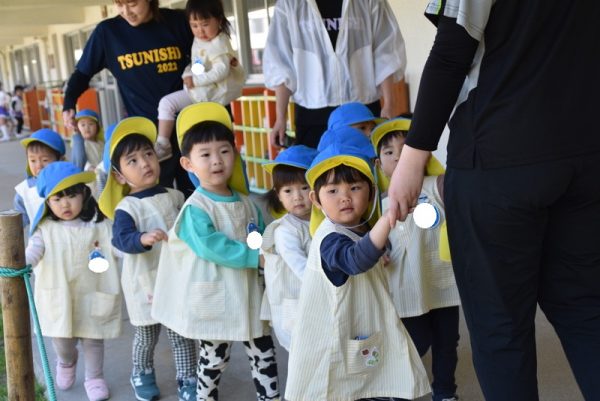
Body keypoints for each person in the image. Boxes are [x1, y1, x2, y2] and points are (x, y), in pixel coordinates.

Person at [386, 2, 600, 400]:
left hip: (498, 158)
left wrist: (412, 159)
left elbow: (452, 51)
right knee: (587, 311)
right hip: (584, 156)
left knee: (500, 329)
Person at [151, 102, 280, 401]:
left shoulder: (246, 202)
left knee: (264, 354)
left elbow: (258, 236)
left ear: (235, 154)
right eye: (205, 155)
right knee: (213, 360)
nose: (217, 161)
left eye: (224, 151)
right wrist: (255, 257)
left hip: (250, 294)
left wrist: (266, 248)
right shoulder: (195, 208)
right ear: (188, 164)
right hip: (217, 300)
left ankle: (270, 398)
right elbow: (212, 246)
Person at [285, 142, 430, 401]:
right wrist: (387, 219)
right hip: (337, 337)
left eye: (354, 187)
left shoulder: (360, 227)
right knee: (345, 390)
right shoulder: (329, 239)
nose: (345, 197)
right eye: (333, 191)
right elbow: (354, 260)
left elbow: (372, 245)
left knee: (374, 384)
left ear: (371, 193)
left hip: (363, 327)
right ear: (315, 200)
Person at [97, 117, 197, 401]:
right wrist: (141, 239)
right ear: (119, 175)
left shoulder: (175, 196)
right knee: (146, 335)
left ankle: (188, 379)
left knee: (181, 333)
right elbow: (120, 239)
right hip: (145, 284)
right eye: (133, 161)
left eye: (148, 154)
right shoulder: (127, 207)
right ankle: (141, 372)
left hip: (176, 278)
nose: (144, 163)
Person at [62, 0, 195, 196]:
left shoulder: (177, 22)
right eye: (120, 4)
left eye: (132, 4)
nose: (126, 12)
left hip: (190, 126)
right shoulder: (108, 33)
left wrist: (196, 72)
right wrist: (69, 102)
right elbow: (82, 73)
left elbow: (203, 55)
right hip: (148, 137)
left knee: (195, 193)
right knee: (159, 197)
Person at [371, 118, 461, 401]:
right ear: (379, 164)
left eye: (406, 148)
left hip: (443, 283)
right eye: (389, 152)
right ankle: (396, 388)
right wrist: (379, 251)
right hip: (406, 286)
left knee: (448, 342)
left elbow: (459, 191)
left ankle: (445, 391)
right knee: (415, 342)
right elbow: (370, 240)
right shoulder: (378, 204)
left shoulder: (435, 186)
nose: (399, 157)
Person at [25, 161, 122, 401]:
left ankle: (94, 377)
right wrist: (22, 263)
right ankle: (67, 362)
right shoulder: (45, 229)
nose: (65, 204)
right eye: (57, 198)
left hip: (93, 293)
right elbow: (34, 251)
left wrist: (135, 247)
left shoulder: (100, 225)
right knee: (62, 341)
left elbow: (117, 246)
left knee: (93, 339)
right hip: (60, 297)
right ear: (48, 202)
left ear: (84, 194)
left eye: (71, 196)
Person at [262, 0, 406, 149]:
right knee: (316, 163)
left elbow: (385, 53)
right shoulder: (289, 4)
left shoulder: (370, 2)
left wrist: (389, 104)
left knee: (366, 162)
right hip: (312, 113)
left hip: (363, 111)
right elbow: (281, 63)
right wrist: (280, 117)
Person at [155, 0, 245, 162]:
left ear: (219, 20)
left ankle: (164, 145)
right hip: (199, 94)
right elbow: (198, 64)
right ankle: (164, 144)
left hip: (210, 97)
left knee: (214, 140)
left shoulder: (220, 43)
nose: (200, 31)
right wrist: (188, 74)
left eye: (205, 24)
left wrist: (195, 81)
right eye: (194, 26)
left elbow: (221, 71)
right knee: (168, 106)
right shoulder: (201, 41)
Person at [260, 145, 318, 351]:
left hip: (316, 298)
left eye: (304, 187)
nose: (297, 197)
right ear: (278, 195)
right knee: (303, 352)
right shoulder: (285, 231)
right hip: (296, 302)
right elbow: (299, 266)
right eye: (288, 190)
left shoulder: (323, 220)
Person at [14, 128, 66, 230]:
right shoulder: (24, 191)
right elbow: (19, 222)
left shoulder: (68, 183)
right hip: (40, 239)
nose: (39, 165)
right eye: (33, 160)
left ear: (61, 160)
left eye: (45, 160)